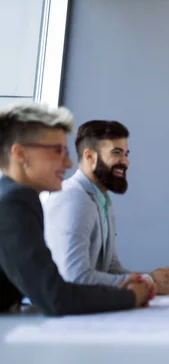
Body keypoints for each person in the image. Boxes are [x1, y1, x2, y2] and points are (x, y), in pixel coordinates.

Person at [0, 104, 152, 315]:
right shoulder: (15, 201)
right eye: (58, 151)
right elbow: (56, 297)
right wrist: (132, 296)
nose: (69, 162)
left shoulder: (12, 196)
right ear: (21, 154)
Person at [43, 120, 169, 295]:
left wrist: (156, 279)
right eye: (117, 153)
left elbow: (110, 268)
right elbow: (75, 277)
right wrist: (150, 283)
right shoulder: (73, 198)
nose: (126, 162)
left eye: (126, 154)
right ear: (90, 157)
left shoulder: (102, 199)